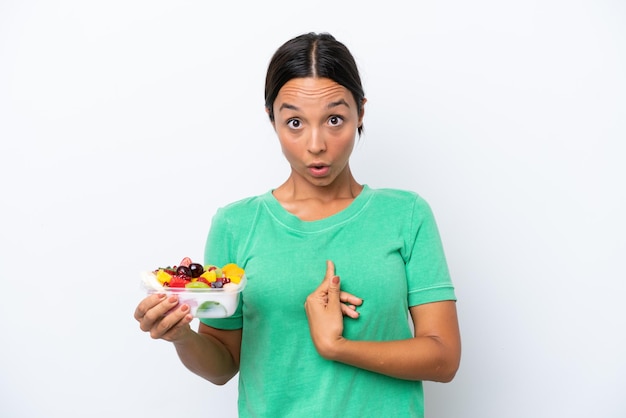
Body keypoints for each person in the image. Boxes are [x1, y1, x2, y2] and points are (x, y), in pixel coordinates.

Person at [134, 32, 461, 417]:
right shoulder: (237, 224)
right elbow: (222, 363)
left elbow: (443, 357)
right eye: (294, 123)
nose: (316, 144)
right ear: (271, 118)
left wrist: (336, 345)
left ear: (362, 111)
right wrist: (181, 338)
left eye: (335, 119)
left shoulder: (406, 215)